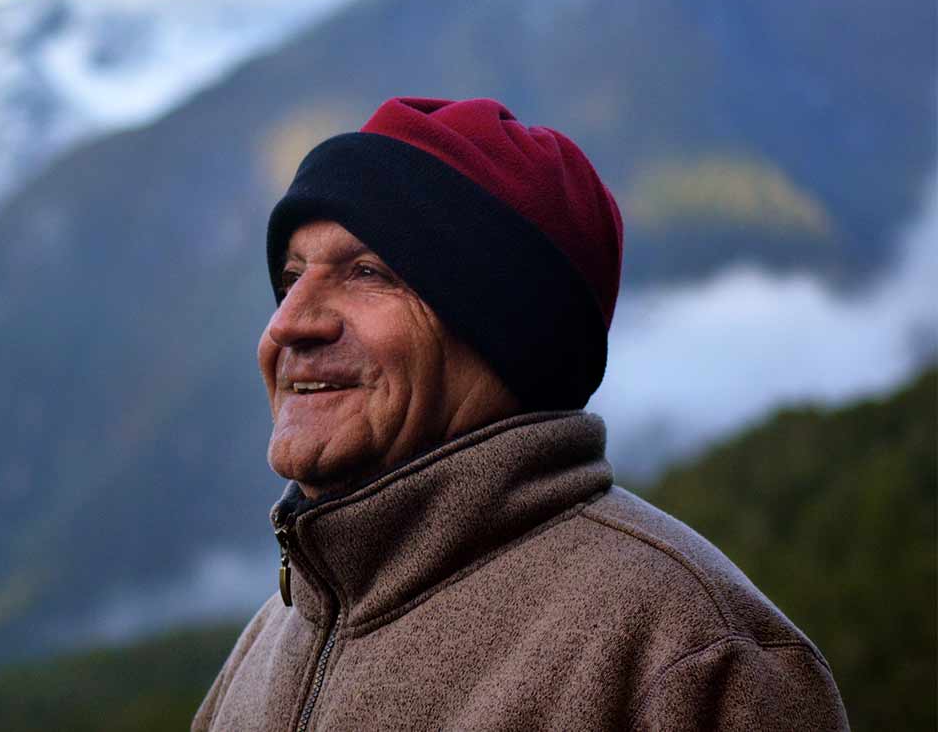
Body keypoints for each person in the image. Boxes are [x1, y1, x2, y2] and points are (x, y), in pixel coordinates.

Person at [193, 97, 848, 731]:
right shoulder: (268, 647)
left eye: (368, 272)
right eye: (290, 278)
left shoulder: (688, 655)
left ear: (504, 333)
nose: (287, 325)